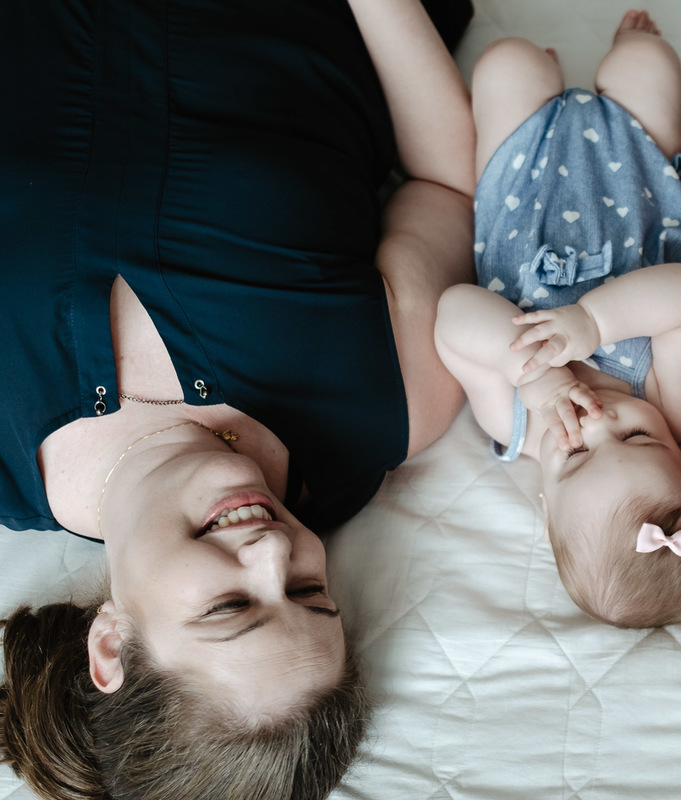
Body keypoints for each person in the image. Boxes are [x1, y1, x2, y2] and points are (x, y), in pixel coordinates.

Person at [0, 0, 476, 798]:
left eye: (229, 607)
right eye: (308, 594)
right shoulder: (384, 404)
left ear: (110, 643)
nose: (276, 552)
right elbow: (443, 183)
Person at [434, 11, 681, 629]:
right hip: (634, 167)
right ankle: (630, 49)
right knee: (648, 66)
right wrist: (591, 322)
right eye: (639, 439)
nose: (599, 422)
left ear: (546, 503)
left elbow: (453, 315)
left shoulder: (511, 420)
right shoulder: (672, 400)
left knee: (506, 62)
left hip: (520, 176)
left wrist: (530, 372)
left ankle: (540, 72)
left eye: (579, 457)